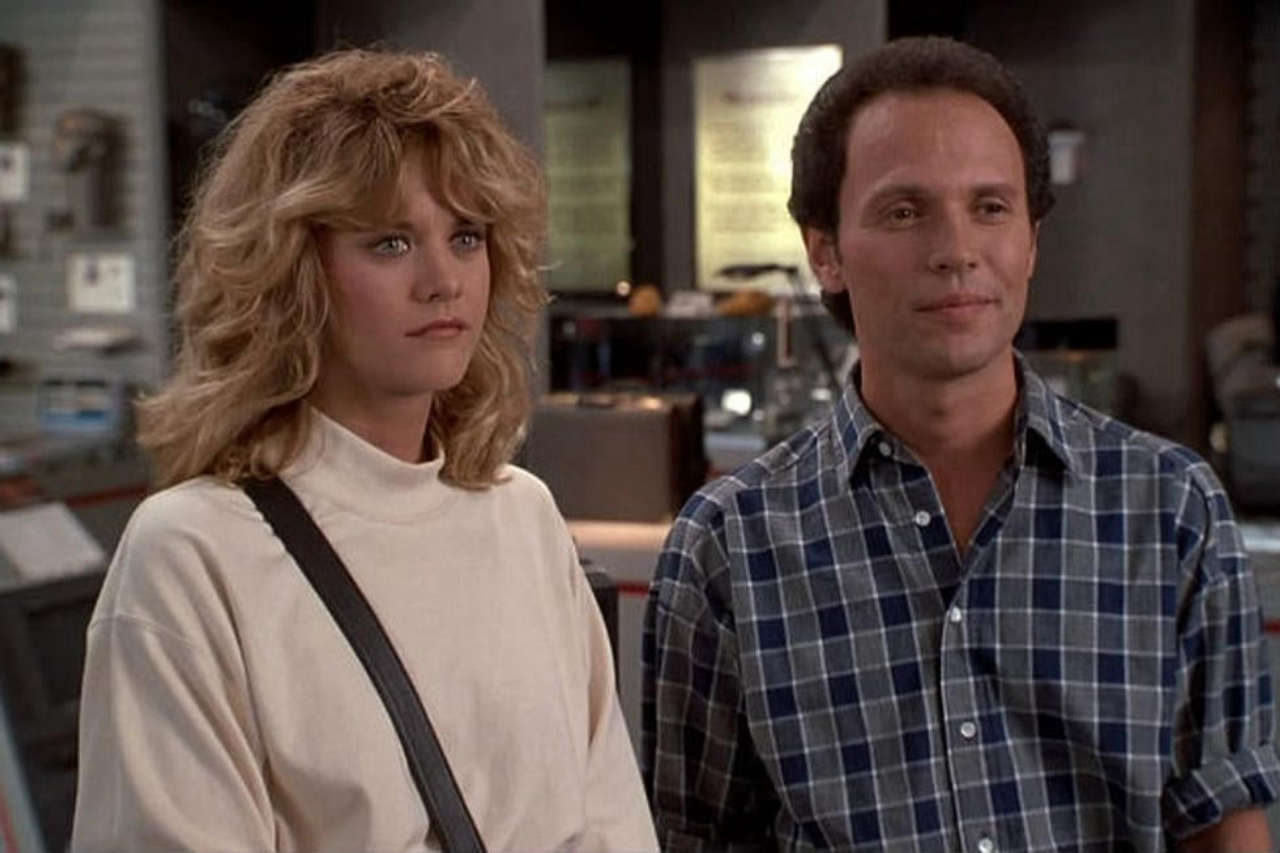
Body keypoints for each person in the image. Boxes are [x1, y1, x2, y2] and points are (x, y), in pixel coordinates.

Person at [643, 35, 1280, 852]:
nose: (956, 251)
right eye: (905, 211)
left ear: (1032, 240)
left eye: (990, 207)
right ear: (824, 251)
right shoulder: (730, 546)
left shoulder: (1171, 509)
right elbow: (690, 834)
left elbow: (1224, 825)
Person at [72, 49, 657, 852]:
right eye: (390, 243)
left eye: (466, 236)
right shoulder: (192, 554)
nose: (443, 280)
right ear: (292, 273)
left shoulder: (524, 515)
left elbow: (612, 817)